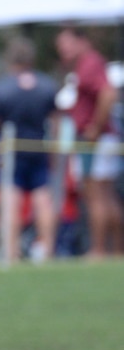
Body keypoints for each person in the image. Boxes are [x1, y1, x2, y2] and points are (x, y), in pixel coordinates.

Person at [0, 37, 60, 262]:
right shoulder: (46, 85)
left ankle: (12, 251)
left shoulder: (2, 88)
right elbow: (55, 122)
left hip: (11, 153)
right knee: (42, 199)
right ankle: (48, 249)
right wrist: (53, 152)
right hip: (39, 149)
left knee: (11, 200)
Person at [55, 26, 122, 258]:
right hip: (101, 138)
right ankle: (117, 249)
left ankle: (99, 249)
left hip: (95, 139)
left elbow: (108, 93)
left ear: (81, 41)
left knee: (96, 195)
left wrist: (95, 126)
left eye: (66, 43)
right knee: (107, 195)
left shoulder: (90, 63)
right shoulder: (87, 63)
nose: (63, 49)